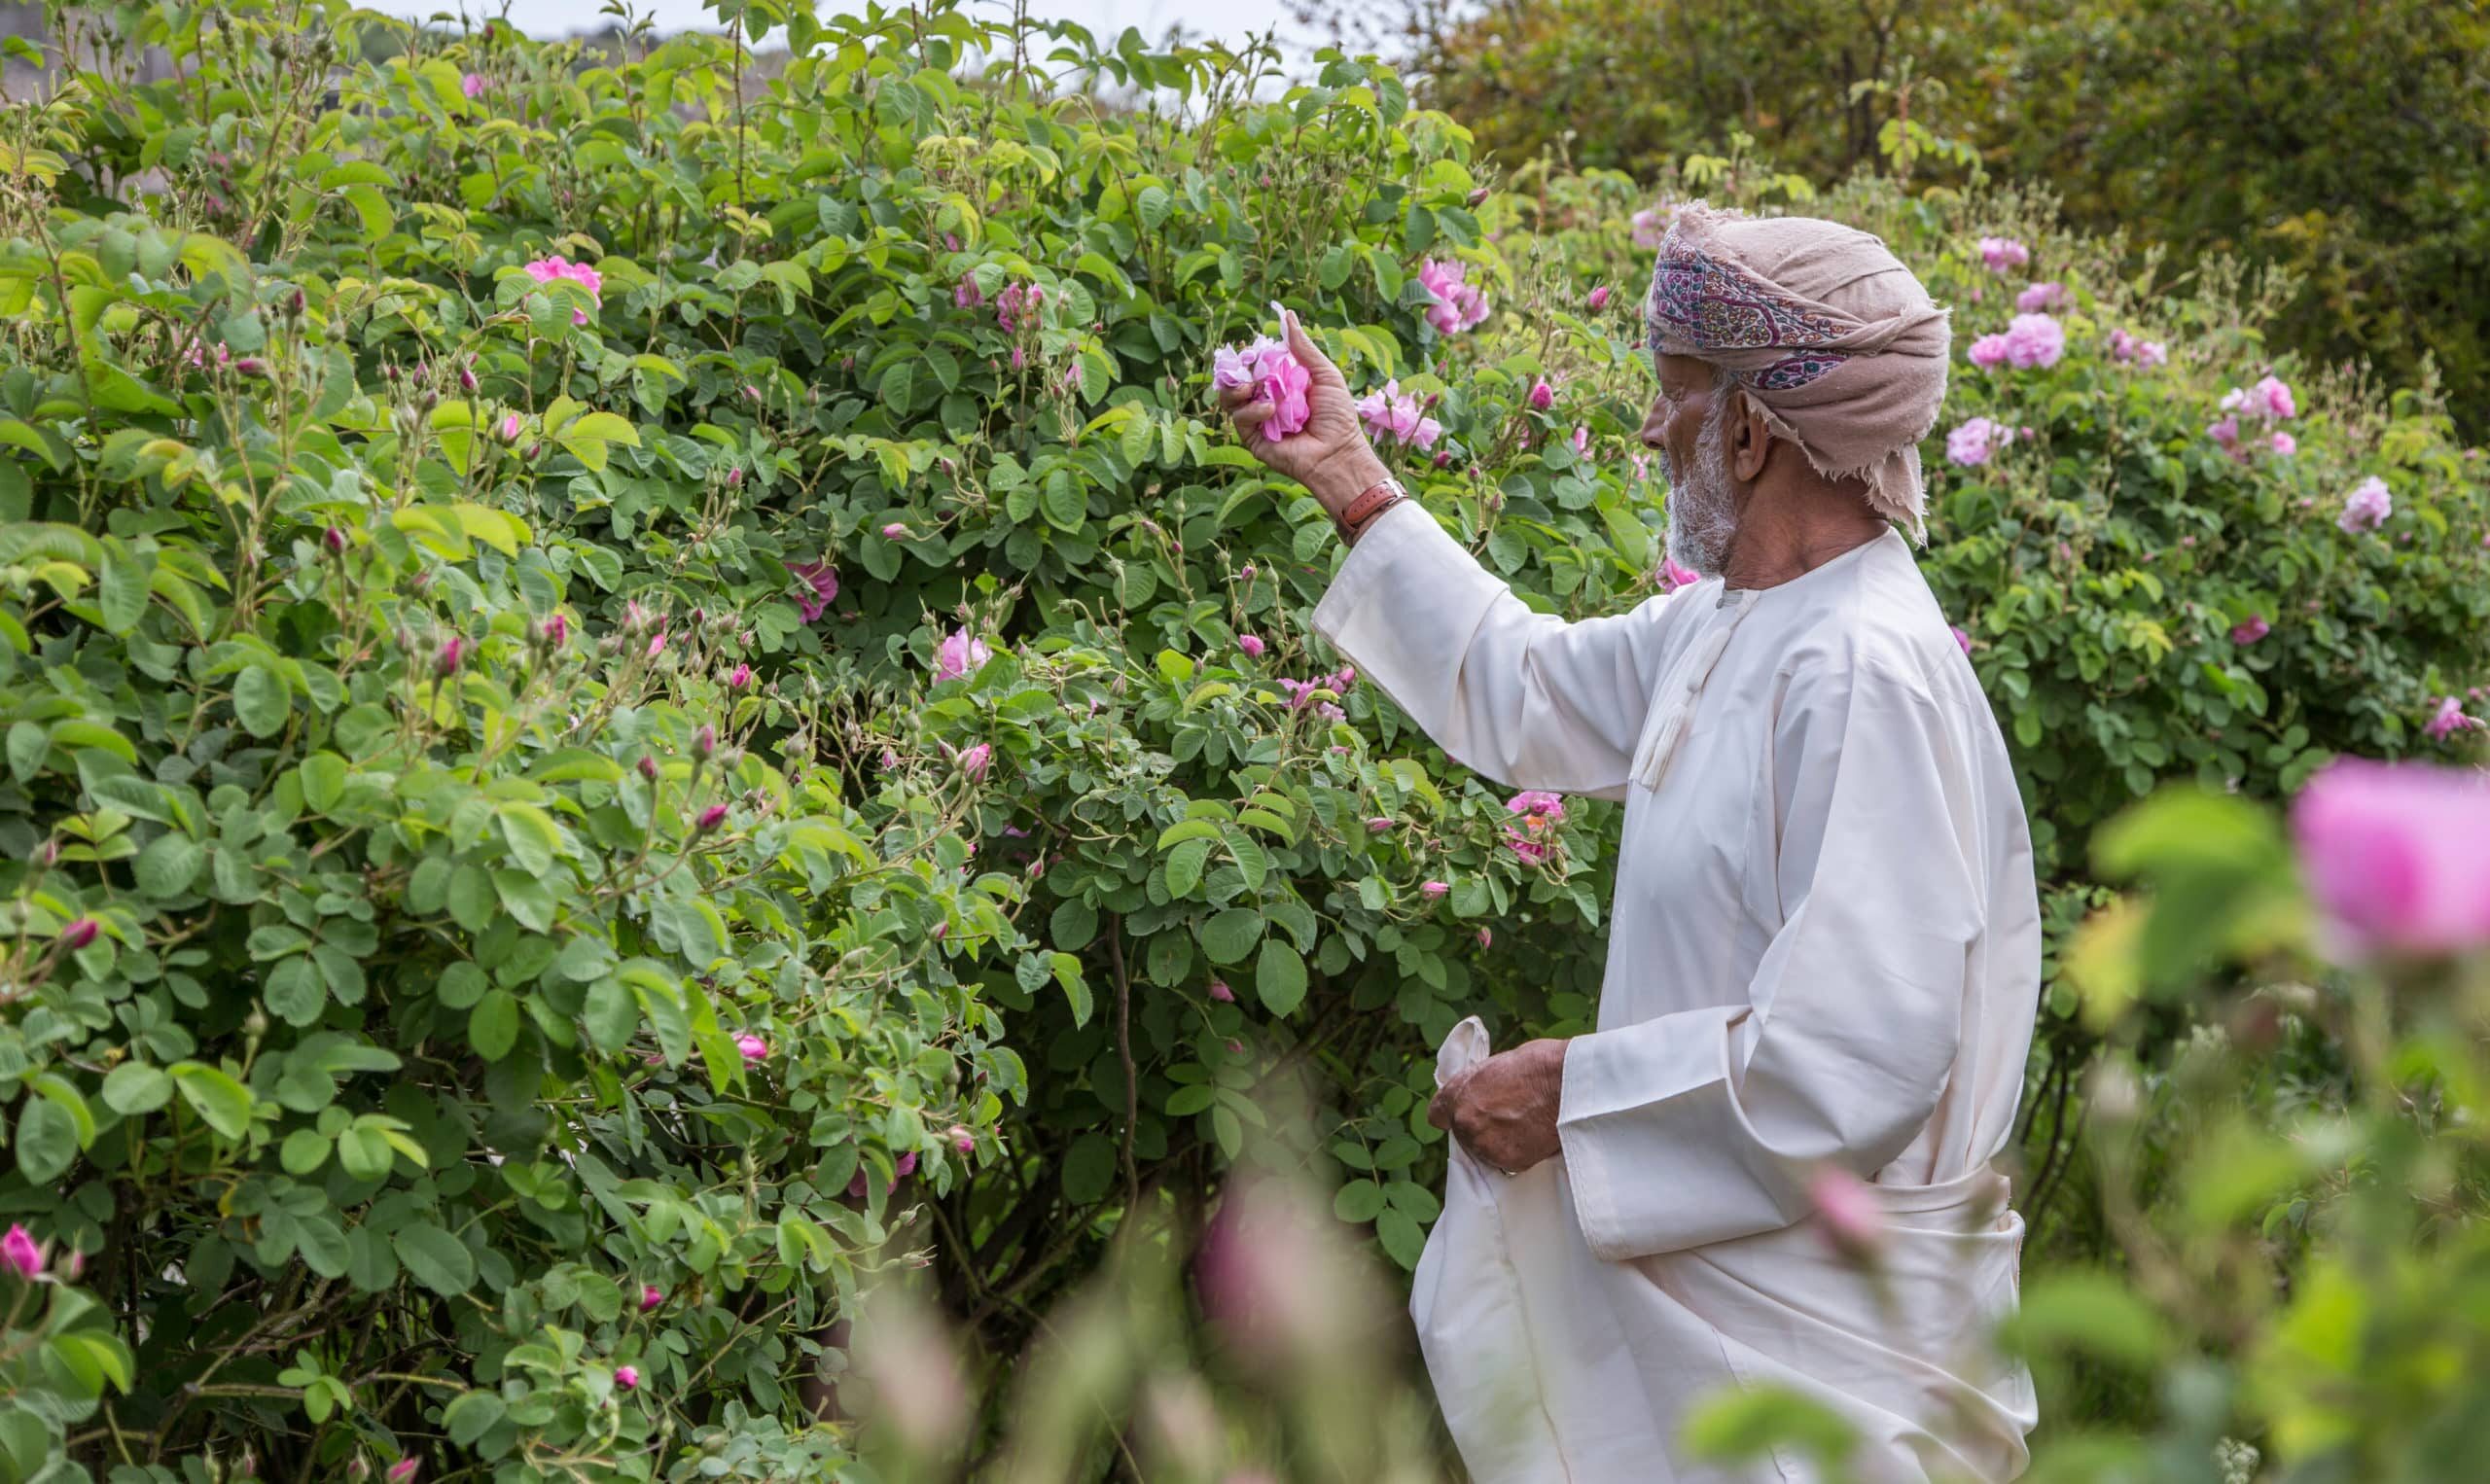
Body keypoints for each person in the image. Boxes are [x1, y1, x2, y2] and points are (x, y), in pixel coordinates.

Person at [1218, 201, 2043, 1482]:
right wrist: (1348, 473)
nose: (1652, 427)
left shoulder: (1864, 668)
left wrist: (1566, 1093)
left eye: (1673, 396)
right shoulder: (1732, 622)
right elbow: (1522, 681)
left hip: (1831, 1372)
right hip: (1729, 1329)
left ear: (1754, 429)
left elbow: (1850, 1064)